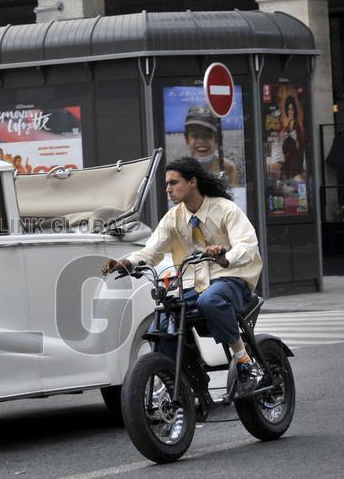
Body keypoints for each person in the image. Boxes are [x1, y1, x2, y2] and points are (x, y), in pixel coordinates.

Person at [101, 157, 264, 396]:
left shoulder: (225, 209)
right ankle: (190, 384)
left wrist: (225, 257)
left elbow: (247, 244)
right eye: (167, 184)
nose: (168, 189)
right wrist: (126, 262)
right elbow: (151, 250)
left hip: (231, 279)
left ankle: (244, 362)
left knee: (210, 299)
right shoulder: (173, 218)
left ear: (192, 182)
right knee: (163, 321)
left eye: (173, 183)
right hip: (193, 286)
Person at [183, 106, 241, 188]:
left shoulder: (229, 169)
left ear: (217, 140)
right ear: (187, 140)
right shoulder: (178, 171)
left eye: (207, 136)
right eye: (195, 136)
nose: (201, 141)